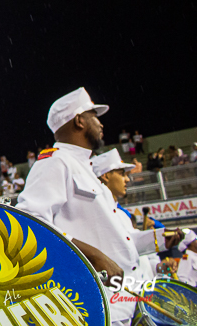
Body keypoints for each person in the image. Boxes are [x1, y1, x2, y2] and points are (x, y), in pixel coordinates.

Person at [16, 87, 182, 326]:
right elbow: (28, 222)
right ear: (79, 121)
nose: (100, 124)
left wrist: (159, 239)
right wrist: (93, 256)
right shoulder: (55, 161)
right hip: (101, 304)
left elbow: (116, 242)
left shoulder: (86, 169)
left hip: (128, 297)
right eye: (94, 116)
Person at [91, 149, 164, 282]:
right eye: (122, 174)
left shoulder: (123, 215)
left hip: (138, 292)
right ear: (106, 176)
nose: (127, 179)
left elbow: (135, 250)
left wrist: (164, 238)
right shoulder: (94, 215)